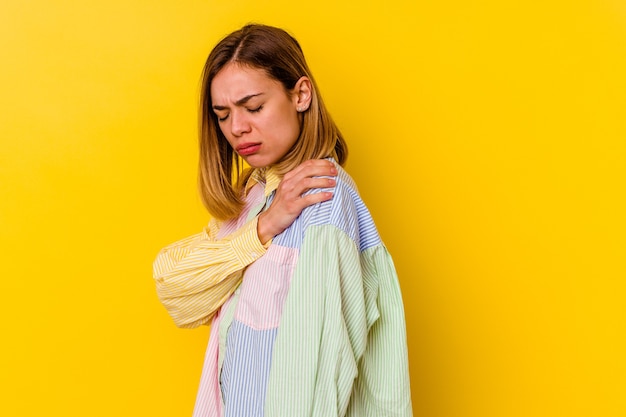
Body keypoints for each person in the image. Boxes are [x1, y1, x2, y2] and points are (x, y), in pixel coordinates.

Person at [153, 24, 412, 417]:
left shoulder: (323, 197)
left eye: (253, 107)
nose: (237, 128)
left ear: (301, 95)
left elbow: (320, 370)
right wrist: (261, 229)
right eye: (223, 115)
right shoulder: (254, 197)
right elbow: (174, 290)